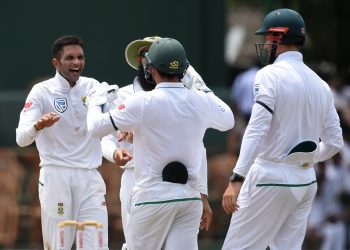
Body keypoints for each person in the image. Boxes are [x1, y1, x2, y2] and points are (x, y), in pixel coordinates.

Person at [87, 37, 234, 249]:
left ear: (151, 68)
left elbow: (95, 128)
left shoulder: (142, 102)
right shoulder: (199, 100)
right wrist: (197, 81)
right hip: (187, 198)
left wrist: (95, 100)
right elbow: (227, 119)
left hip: (152, 195)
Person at [221, 8, 343, 250]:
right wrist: (302, 159)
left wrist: (237, 178)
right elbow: (335, 142)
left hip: (270, 176)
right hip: (305, 181)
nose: (265, 45)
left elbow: (257, 129)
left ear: (278, 38)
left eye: (267, 39)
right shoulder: (320, 84)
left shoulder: (269, 75)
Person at [16, 35, 109, 250]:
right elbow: (21, 139)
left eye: (80, 57)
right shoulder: (42, 91)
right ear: (56, 63)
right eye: (70, 58)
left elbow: (109, 119)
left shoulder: (92, 86)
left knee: (97, 245)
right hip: (57, 176)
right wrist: (38, 126)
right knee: (59, 245)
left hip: (90, 176)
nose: (77, 63)